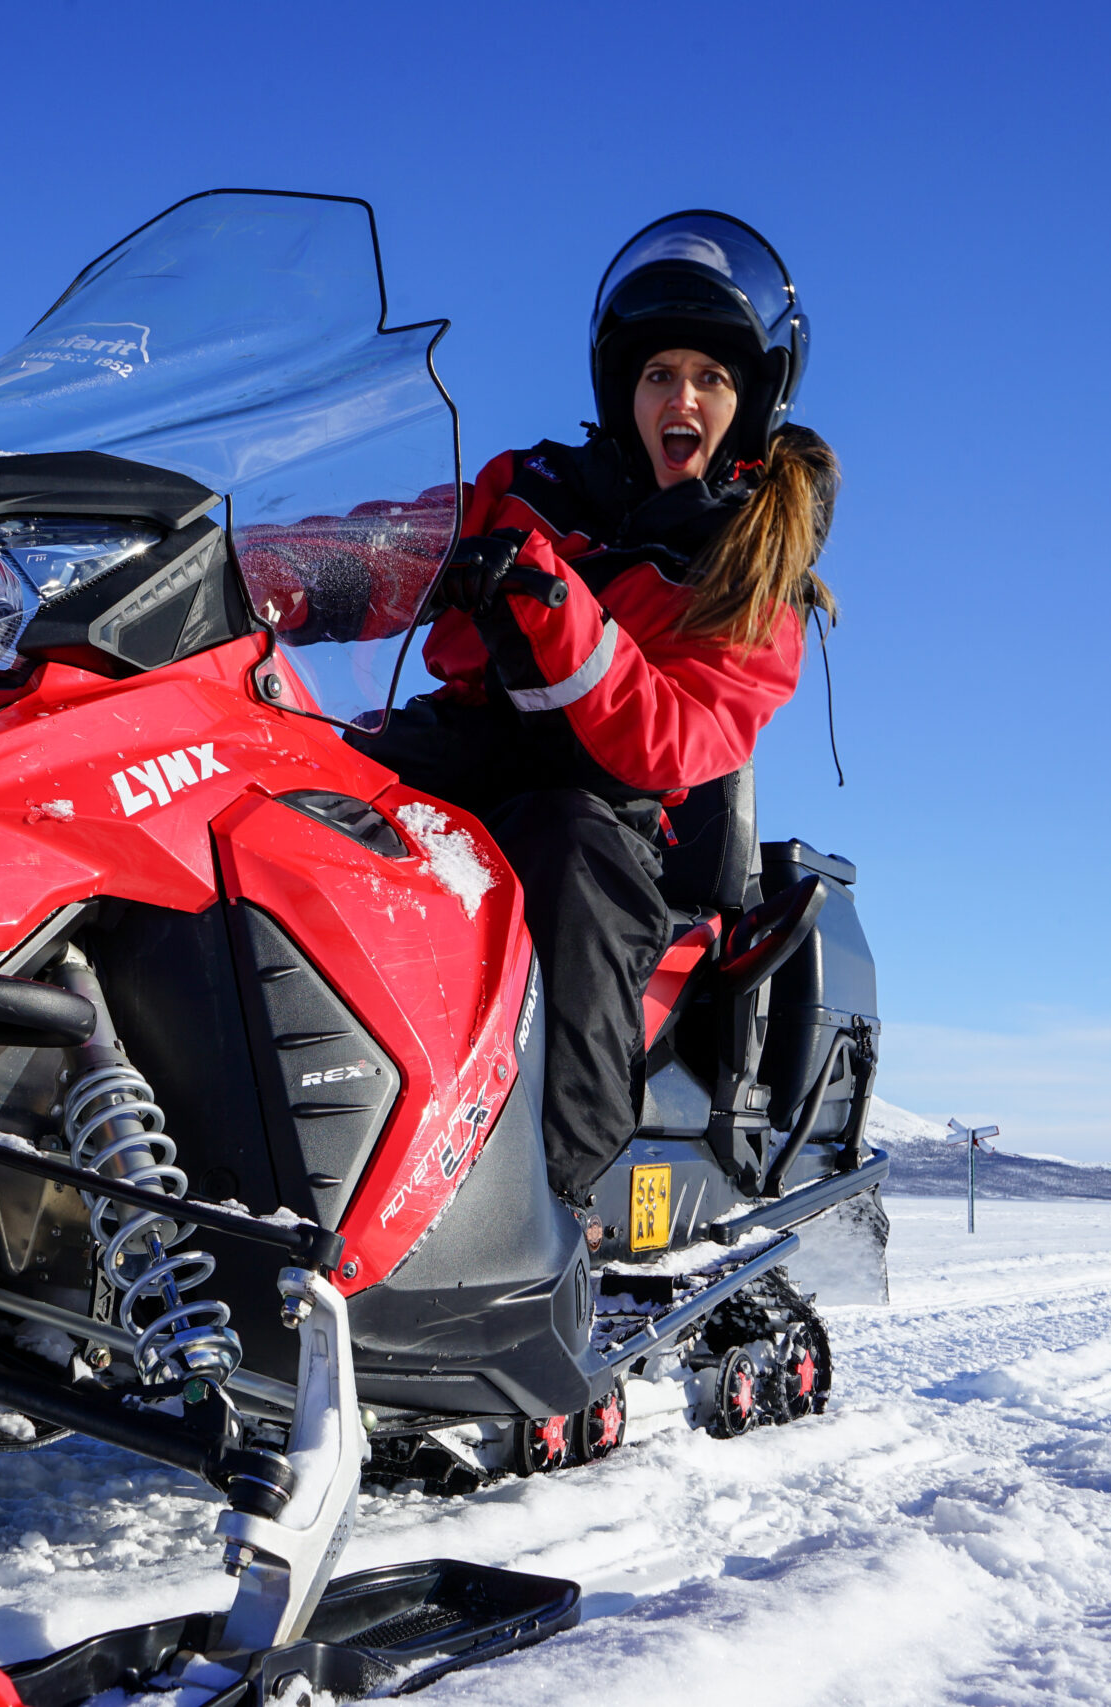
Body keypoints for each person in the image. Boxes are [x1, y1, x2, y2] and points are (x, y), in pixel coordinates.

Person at [352, 210, 841, 1208]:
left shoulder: (754, 571)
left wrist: (548, 600)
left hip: (613, 813)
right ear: (624, 389)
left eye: (709, 378)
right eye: (659, 373)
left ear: (748, 402)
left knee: (566, 847)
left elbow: (673, 738)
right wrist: (243, 563)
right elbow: (390, 548)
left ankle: (543, 1206)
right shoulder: (532, 485)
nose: (680, 398)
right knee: (295, 776)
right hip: (467, 742)